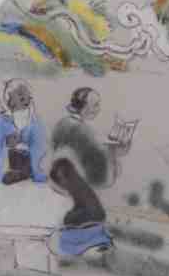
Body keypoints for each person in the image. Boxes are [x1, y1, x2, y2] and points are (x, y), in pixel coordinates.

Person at [47, 87, 128, 260]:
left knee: (91, 210)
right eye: (95, 105)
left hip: (63, 173)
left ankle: (80, 244)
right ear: (83, 106)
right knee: (93, 212)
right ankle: (72, 246)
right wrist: (114, 151)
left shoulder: (66, 123)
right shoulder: (78, 128)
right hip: (67, 174)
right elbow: (95, 160)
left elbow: (90, 154)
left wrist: (110, 151)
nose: (98, 109)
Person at [0, 79, 47, 185]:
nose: (25, 98)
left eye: (28, 95)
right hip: (2, 171)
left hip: (26, 169)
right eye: (20, 94)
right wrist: (6, 144)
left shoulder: (34, 122)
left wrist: (35, 170)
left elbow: (39, 147)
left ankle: (23, 173)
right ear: (9, 99)